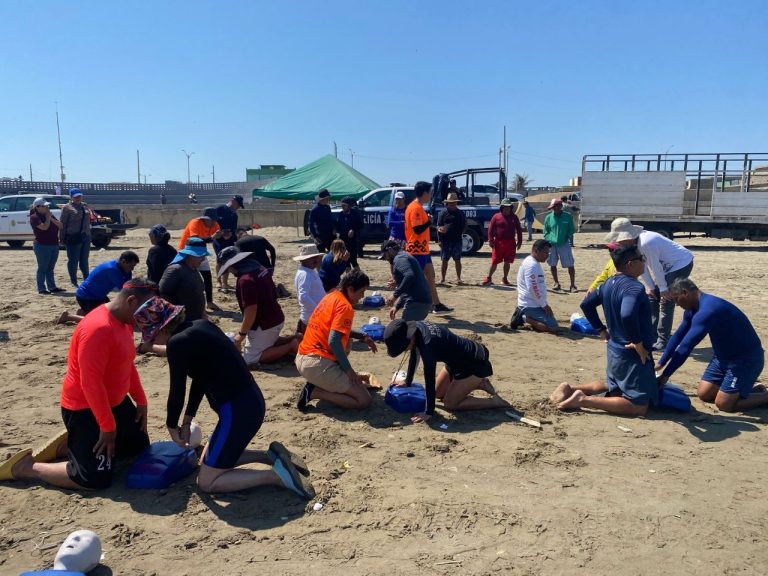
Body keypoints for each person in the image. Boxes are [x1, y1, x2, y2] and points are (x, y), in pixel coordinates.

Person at [132, 297, 314, 498]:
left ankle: (277, 476)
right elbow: (201, 378)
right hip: (250, 401)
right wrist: (186, 420)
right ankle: (270, 456)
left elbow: (177, 390)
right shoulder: (200, 326)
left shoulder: (177, 343)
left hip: (238, 411)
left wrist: (171, 426)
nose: (150, 340)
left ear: (161, 329)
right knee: (207, 458)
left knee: (208, 481)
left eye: (149, 335)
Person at [1, 279, 156, 488]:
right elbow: (90, 383)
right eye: (146, 310)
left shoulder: (125, 321)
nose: (148, 318)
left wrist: (141, 401)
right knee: (94, 479)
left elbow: (127, 364)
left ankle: (70, 446)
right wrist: (107, 427)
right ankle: (26, 467)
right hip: (85, 406)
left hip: (114, 402)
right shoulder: (98, 329)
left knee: (136, 449)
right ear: (131, 301)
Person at [552, 245, 657, 416]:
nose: (644, 262)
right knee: (638, 406)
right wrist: (638, 343)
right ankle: (582, 399)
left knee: (613, 385)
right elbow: (627, 314)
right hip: (631, 353)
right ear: (630, 264)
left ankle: (570, 389)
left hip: (614, 348)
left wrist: (601, 330)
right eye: (641, 259)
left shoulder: (608, 283)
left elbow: (586, 304)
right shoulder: (633, 287)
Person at [655, 278, 767, 412]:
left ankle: (764, 396)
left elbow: (686, 346)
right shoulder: (692, 309)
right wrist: (661, 362)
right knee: (704, 394)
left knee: (724, 405)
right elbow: (678, 336)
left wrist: (666, 375)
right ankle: (752, 388)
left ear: (685, 292)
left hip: (745, 360)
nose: (677, 305)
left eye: (676, 299)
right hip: (721, 358)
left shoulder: (708, 311)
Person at [383, 319, 510, 424]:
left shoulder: (428, 345)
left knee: (450, 404)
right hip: (454, 362)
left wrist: (428, 412)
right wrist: (408, 381)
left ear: (409, 339)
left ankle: (494, 401)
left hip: (473, 362)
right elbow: (414, 354)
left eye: (402, 348)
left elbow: (429, 378)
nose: (403, 351)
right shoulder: (416, 327)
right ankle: (479, 383)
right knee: (437, 393)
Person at [604, 217, 694, 351]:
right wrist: (651, 288)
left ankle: (663, 340)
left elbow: (655, 267)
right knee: (653, 297)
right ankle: (651, 335)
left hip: (681, 263)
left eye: (620, 239)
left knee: (666, 300)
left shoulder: (647, 242)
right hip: (666, 267)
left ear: (628, 236)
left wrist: (663, 289)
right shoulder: (634, 245)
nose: (618, 243)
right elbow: (642, 266)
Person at [295, 269, 378, 412]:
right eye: (361, 292)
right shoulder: (345, 307)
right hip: (316, 364)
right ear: (350, 289)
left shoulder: (331, 296)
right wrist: (349, 371)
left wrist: (363, 336)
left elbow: (334, 330)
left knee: (347, 340)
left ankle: (325, 380)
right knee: (364, 400)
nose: (362, 297)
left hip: (303, 358)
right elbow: (334, 341)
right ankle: (314, 392)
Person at [218, 247, 299, 368]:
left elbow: (251, 310)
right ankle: (295, 338)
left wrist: (242, 334)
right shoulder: (259, 268)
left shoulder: (245, 280)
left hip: (264, 323)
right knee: (269, 340)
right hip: (276, 316)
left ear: (232, 264)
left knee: (251, 359)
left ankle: (291, 346)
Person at [405, 180, 451, 313]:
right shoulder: (415, 208)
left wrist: (434, 226)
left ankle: (436, 304)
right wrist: (429, 222)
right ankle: (408, 304)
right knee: (416, 280)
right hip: (417, 249)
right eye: (430, 193)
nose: (431, 195)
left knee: (430, 276)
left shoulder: (418, 207)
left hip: (422, 249)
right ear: (424, 193)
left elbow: (422, 227)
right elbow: (417, 229)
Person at [57, 251, 140, 324]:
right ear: (123, 261)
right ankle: (68, 316)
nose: (132, 268)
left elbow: (129, 285)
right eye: (131, 265)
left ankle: (82, 312)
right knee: (102, 321)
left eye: (134, 266)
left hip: (99, 296)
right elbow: (124, 290)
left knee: (112, 314)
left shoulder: (124, 268)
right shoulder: (112, 269)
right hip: (86, 297)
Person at [178, 208, 223, 311]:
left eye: (213, 220)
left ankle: (210, 302)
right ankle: (187, 303)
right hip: (186, 252)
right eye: (210, 220)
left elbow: (216, 238)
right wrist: (212, 238)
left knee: (207, 277)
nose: (212, 222)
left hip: (200, 253)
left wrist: (224, 236)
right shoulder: (195, 222)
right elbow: (195, 240)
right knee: (188, 278)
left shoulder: (215, 224)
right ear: (203, 219)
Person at [380, 239, 432, 321]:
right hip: (420, 301)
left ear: (390, 250)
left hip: (417, 302)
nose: (386, 259)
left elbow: (410, 276)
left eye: (385, 256)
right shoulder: (403, 256)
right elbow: (408, 286)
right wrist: (397, 306)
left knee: (405, 329)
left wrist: (394, 295)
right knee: (410, 329)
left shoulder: (399, 259)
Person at [159, 237, 208, 323]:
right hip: (180, 321)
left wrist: (203, 313)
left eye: (204, 256)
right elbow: (161, 294)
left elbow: (199, 293)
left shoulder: (194, 269)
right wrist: (175, 316)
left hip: (195, 319)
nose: (203, 259)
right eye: (200, 256)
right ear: (190, 255)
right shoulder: (175, 270)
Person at [516, 240, 558, 333]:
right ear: (536, 250)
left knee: (550, 320)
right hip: (530, 304)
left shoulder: (534, 262)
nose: (547, 255)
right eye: (545, 252)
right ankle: (524, 317)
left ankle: (529, 318)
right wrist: (544, 305)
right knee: (553, 327)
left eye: (548, 252)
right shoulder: (531, 265)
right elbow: (532, 288)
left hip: (535, 303)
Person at [482, 198, 523, 286]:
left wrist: (520, 241)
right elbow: (490, 229)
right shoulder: (496, 216)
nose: (507, 209)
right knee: (494, 261)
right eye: (505, 207)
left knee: (507, 261)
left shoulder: (514, 217)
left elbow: (519, 230)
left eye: (508, 207)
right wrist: (490, 240)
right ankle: (488, 278)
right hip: (498, 243)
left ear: (511, 208)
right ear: (501, 207)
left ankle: (505, 278)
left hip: (511, 242)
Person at [29, 197, 64, 294]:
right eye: (45, 206)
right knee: (43, 267)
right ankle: (41, 288)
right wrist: (48, 218)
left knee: (50, 267)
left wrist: (51, 218)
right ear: (38, 207)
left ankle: (52, 287)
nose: (47, 207)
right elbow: (44, 227)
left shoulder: (49, 215)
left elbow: (60, 226)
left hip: (53, 244)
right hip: (42, 245)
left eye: (47, 206)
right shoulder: (34, 217)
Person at [59, 188, 92, 288]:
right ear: (71, 197)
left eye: (79, 196)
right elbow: (63, 224)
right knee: (73, 260)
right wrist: (61, 238)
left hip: (85, 236)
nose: (78, 198)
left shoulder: (84, 206)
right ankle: (73, 281)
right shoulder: (67, 208)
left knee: (84, 259)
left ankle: (87, 279)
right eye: (76, 196)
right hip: (73, 236)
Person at [543, 198, 576, 292]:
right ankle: (556, 283)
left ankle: (573, 285)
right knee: (552, 264)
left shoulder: (568, 216)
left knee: (570, 264)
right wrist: (549, 239)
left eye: (555, 207)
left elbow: (572, 229)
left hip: (564, 243)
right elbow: (546, 231)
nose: (553, 209)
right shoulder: (548, 218)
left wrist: (567, 236)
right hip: (551, 244)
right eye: (552, 207)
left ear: (560, 206)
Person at [213, 195, 244, 291]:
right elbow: (213, 223)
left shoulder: (234, 215)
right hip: (218, 239)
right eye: (238, 205)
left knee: (228, 260)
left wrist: (232, 236)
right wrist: (220, 233)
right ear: (233, 201)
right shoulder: (219, 209)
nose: (238, 208)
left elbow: (233, 229)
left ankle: (225, 283)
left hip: (229, 240)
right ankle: (218, 281)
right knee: (220, 260)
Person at [293, 244, 325, 334]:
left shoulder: (309, 271)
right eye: (312, 258)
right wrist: (318, 310)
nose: (316, 260)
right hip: (311, 317)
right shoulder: (305, 274)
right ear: (304, 260)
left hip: (314, 316)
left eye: (316, 257)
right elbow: (303, 297)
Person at [436, 192, 466, 284]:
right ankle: (443, 279)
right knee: (444, 260)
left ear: (456, 203)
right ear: (447, 203)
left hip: (457, 240)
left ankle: (458, 278)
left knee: (457, 260)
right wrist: (439, 239)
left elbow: (465, 224)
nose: (452, 204)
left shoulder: (460, 213)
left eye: (453, 202)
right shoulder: (442, 213)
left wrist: (461, 233)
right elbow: (438, 226)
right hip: (445, 241)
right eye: (450, 202)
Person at [336, 196, 363, 268]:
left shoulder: (355, 214)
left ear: (349, 205)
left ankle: (358, 276)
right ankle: (349, 278)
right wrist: (336, 231)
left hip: (353, 241)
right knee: (345, 261)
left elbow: (360, 224)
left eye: (344, 205)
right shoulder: (340, 214)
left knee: (353, 260)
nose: (342, 207)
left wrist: (353, 230)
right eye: (342, 205)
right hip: (343, 241)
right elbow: (338, 226)